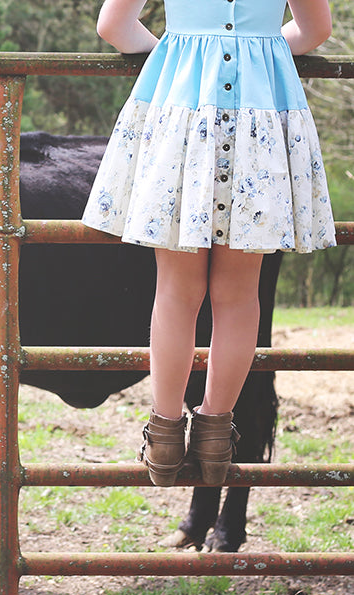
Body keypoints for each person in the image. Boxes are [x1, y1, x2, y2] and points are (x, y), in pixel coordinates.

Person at [82, 0, 336, 487]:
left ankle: (165, 432)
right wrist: (259, 50)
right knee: (240, 297)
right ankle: (216, 433)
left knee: (176, 294)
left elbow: (113, 26)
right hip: (262, 115)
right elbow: (315, 30)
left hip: (183, 112)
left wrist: (177, 53)